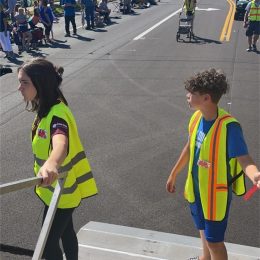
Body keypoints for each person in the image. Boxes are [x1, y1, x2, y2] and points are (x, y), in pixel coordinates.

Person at [166, 68, 260, 260]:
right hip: (197, 190)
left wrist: (256, 175)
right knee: (202, 229)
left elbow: (244, 159)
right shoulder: (197, 118)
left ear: (206, 98)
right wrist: (174, 173)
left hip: (215, 196)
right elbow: (190, 147)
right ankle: (204, 258)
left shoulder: (229, 126)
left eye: (192, 93)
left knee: (215, 243)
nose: (187, 96)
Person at [17, 58, 98, 260]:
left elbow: (60, 142)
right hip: (54, 190)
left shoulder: (57, 114)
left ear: (40, 84)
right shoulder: (47, 107)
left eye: (24, 82)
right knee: (66, 232)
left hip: (63, 193)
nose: (19, 88)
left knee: (46, 246)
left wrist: (52, 163)